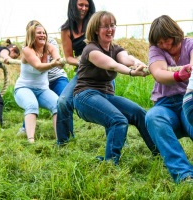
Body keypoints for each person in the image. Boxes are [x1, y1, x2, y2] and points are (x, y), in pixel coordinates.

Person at [73, 11, 158, 165]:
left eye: (112, 25)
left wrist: (139, 64)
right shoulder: (91, 50)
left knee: (139, 113)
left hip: (106, 96)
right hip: (85, 97)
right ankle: (110, 164)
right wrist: (132, 72)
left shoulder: (115, 48)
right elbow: (113, 65)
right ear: (96, 29)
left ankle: (160, 153)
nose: (110, 29)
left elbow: (126, 58)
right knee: (118, 120)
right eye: (105, 26)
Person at [145, 15, 193, 183]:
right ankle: (184, 175)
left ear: (174, 33)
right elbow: (158, 73)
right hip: (165, 105)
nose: (164, 45)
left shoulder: (190, 44)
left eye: (166, 40)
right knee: (152, 117)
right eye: (159, 42)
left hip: (188, 100)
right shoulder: (155, 50)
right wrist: (178, 75)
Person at [14, 22, 65, 143]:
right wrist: (53, 64)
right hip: (23, 88)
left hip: (42, 90)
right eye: (39, 33)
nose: (42, 35)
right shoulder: (27, 50)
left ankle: (61, 140)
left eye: (44, 33)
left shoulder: (49, 47)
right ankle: (31, 141)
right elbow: (38, 66)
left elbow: (57, 58)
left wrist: (60, 61)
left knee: (58, 105)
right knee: (32, 105)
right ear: (32, 35)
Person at [56, 0, 96, 144]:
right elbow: (68, 57)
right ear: (73, 4)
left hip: (102, 70)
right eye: (81, 5)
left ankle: (120, 138)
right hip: (83, 71)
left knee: (110, 103)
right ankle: (63, 142)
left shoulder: (95, 21)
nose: (84, 8)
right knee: (62, 101)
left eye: (87, 5)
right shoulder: (66, 29)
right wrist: (81, 61)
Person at [0, 40, 20, 126]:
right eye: (14, 57)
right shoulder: (4, 50)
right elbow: (4, 54)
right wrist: (7, 58)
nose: (13, 59)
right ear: (12, 49)